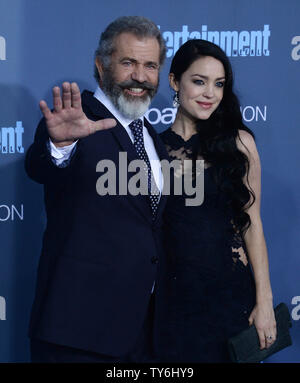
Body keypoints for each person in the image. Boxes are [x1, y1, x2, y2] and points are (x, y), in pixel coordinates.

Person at [25, 16, 169, 363]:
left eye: (150, 65)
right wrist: (60, 146)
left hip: (141, 334)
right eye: (128, 62)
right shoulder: (76, 120)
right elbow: (41, 166)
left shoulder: (152, 138)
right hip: (77, 335)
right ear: (101, 65)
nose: (140, 76)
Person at [157, 39, 277, 362]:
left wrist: (264, 301)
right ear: (174, 81)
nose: (210, 93)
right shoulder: (153, 151)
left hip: (230, 301)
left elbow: (252, 224)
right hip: (174, 307)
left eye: (219, 84)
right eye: (199, 81)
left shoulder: (239, 143)